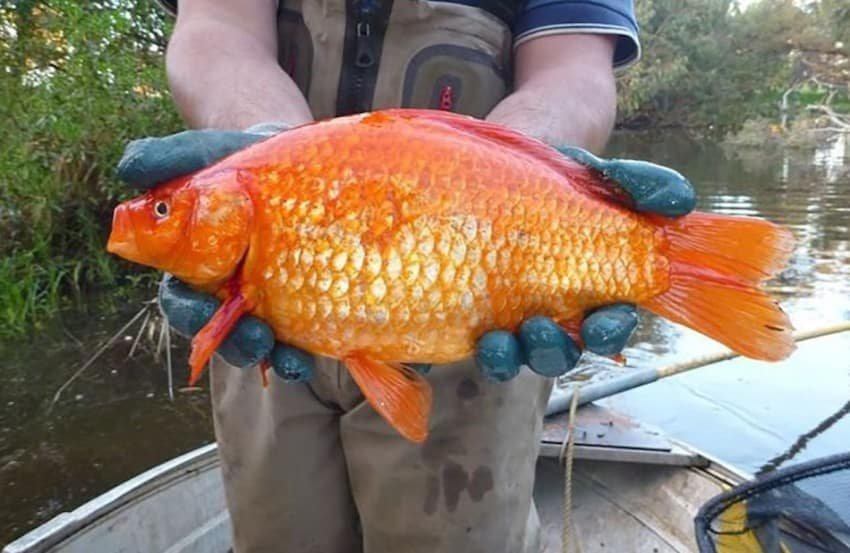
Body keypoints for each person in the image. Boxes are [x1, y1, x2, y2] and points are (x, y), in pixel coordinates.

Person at [117, 1, 694, 551]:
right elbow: (218, 26)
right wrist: (264, 140)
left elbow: (572, 70)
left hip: (474, 308)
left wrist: (525, 177)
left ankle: (669, 264)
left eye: (167, 212)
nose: (145, 220)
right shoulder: (250, 208)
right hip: (266, 343)